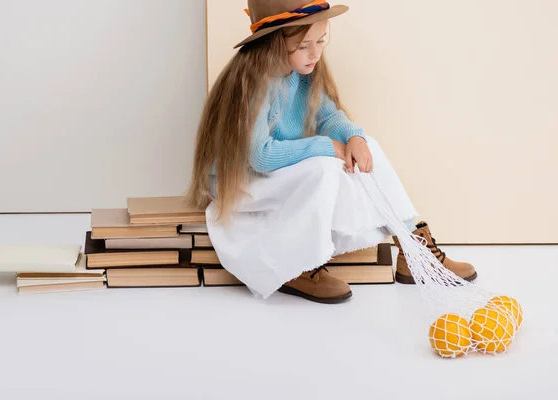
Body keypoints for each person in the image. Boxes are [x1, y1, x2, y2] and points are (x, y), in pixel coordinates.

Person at [186, 0, 477, 304]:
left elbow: (327, 116)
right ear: (273, 43)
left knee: (369, 146)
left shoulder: (302, 72)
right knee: (323, 166)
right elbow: (261, 155)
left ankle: (412, 242)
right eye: (303, 45)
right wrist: (327, 147)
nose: (314, 53)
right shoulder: (255, 83)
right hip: (244, 182)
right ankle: (296, 264)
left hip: (274, 175)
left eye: (320, 41)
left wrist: (353, 137)